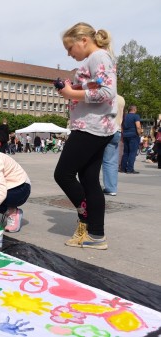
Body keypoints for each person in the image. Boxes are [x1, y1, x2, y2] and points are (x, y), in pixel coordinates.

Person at [54, 22, 117, 250]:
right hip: (95, 125)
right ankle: (96, 235)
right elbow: (95, 87)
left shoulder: (98, 57)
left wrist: (72, 92)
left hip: (91, 127)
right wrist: (72, 90)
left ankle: (86, 217)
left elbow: (108, 91)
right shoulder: (96, 59)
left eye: (70, 48)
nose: (69, 54)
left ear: (83, 40)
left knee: (63, 174)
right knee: (89, 180)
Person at [102, 95, 125, 196]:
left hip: (104, 130)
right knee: (111, 161)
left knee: (93, 160)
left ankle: (90, 186)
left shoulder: (103, 96)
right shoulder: (121, 99)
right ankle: (111, 188)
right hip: (117, 130)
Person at [120, 105, 142, 174]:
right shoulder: (136, 116)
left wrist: (123, 135)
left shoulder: (124, 116)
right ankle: (130, 169)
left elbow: (121, 127)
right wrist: (139, 134)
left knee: (126, 152)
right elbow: (138, 126)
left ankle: (123, 168)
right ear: (134, 109)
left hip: (125, 135)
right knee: (132, 152)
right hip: (133, 135)